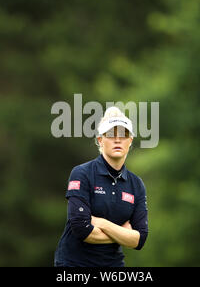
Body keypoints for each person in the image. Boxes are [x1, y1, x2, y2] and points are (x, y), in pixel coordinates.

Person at [54, 106, 148, 267]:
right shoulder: (82, 173)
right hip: (74, 264)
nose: (117, 140)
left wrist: (103, 224)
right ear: (100, 140)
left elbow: (140, 239)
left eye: (124, 135)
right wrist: (123, 233)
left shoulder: (136, 184)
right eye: (110, 134)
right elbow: (81, 228)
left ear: (130, 141)